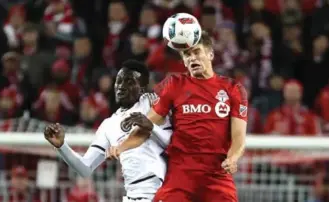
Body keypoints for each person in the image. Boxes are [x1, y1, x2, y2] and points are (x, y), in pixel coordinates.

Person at [108, 31, 248, 202]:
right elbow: (146, 126)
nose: (192, 58)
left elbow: (239, 137)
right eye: (187, 54)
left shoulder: (233, 89)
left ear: (210, 54)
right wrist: (120, 146)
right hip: (180, 177)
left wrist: (232, 158)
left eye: (197, 52)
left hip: (217, 176)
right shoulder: (175, 85)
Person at [44, 60, 172, 202]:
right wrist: (61, 146)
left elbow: (177, 144)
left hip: (166, 193)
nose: (121, 86)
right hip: (135, 197)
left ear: (142, 88)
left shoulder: (152, 105)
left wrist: (151, 126)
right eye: (119, 80)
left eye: (129, 81)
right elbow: (85, 168)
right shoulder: (109, 125)